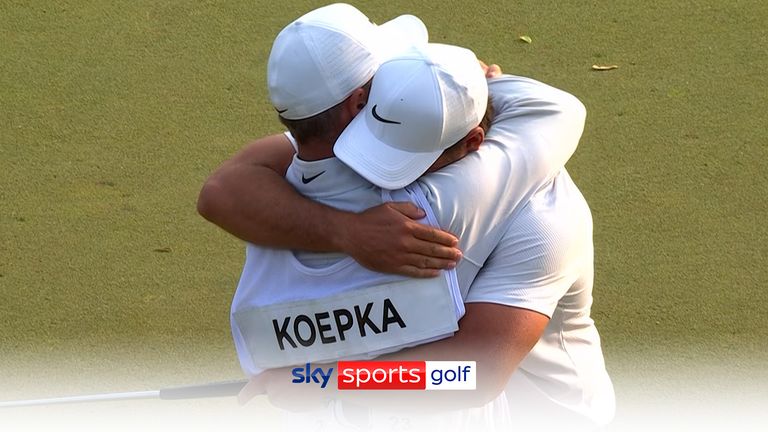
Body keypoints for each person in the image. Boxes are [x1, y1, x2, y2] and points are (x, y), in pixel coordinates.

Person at [198, 4, 613, 429]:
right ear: (360, 109)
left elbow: (475, 372)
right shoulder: (364, 147)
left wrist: (322, 380)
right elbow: (220, 192)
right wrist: (347, 233)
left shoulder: (541, 210)